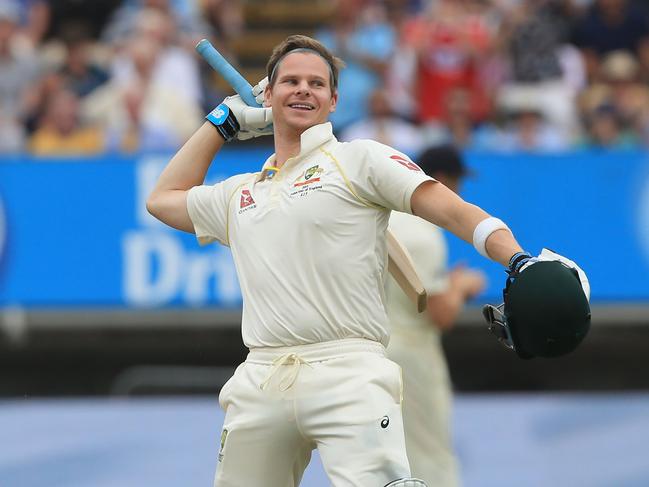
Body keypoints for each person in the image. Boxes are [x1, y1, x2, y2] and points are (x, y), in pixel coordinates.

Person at [146, 34, 586, 487]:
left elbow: (453, 210)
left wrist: (516, 259)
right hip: (261, 377)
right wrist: (222, 121)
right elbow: (162, 199)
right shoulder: (241, 192)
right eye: (290, 82)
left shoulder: (358, 159)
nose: (303, 90)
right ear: (268, 95)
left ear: (334, 99)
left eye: (316, 84)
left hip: (349, 373)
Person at [385, 145, 486, 487]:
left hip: (369, 355)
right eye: (456, 183)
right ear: (440, 181)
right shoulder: (425, 234)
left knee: (383, 457)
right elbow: (440, 315)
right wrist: (460, 286)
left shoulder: (384, 219)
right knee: (430, 455)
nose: (459, 194)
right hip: (412, 357)